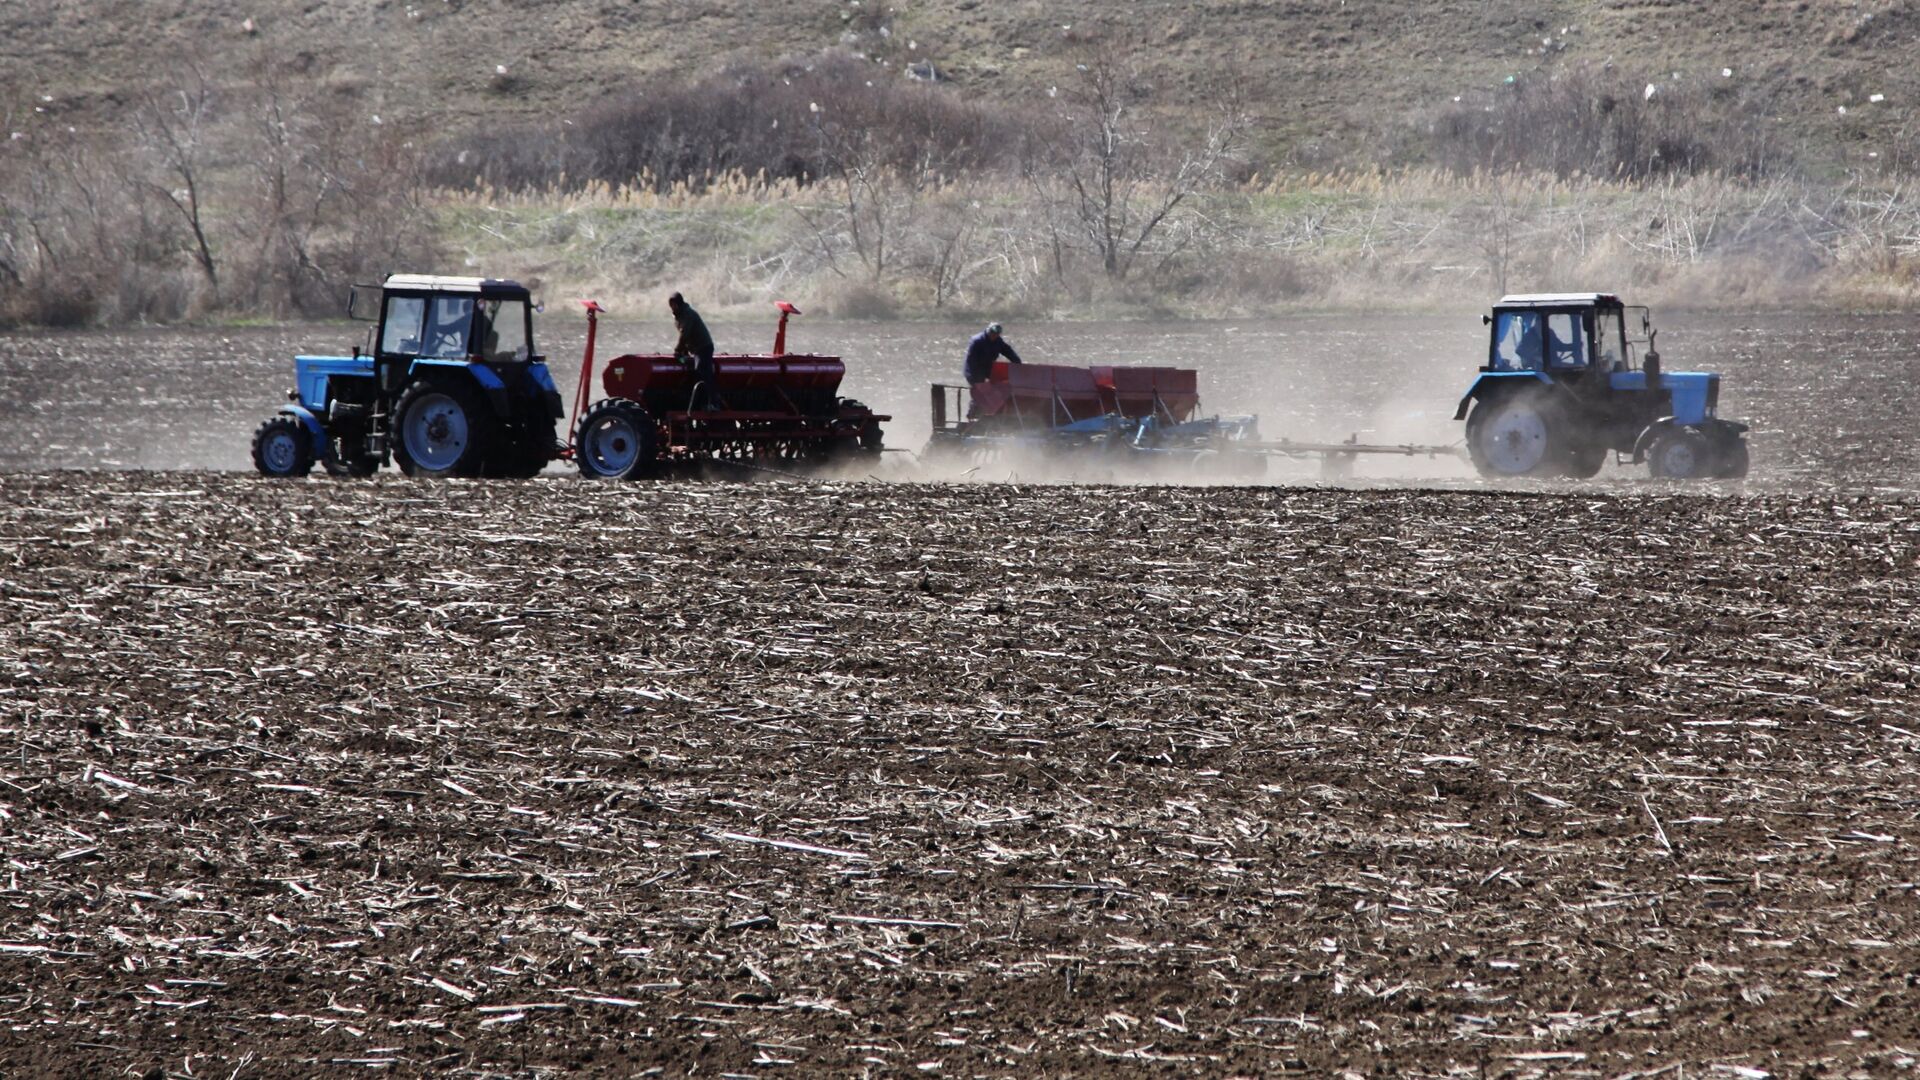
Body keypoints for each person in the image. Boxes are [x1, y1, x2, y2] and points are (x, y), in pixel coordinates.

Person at [668, 292, 715, 410]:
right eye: (670, 305)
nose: (672, 308)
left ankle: (710, 403)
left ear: (678, 304)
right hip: (694, 348)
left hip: (703, 347)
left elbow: (685, 334)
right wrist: (682, 351)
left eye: (673, 305)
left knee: (702, 371)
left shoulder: (688, 314)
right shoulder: (679, 316)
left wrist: (678, 349)